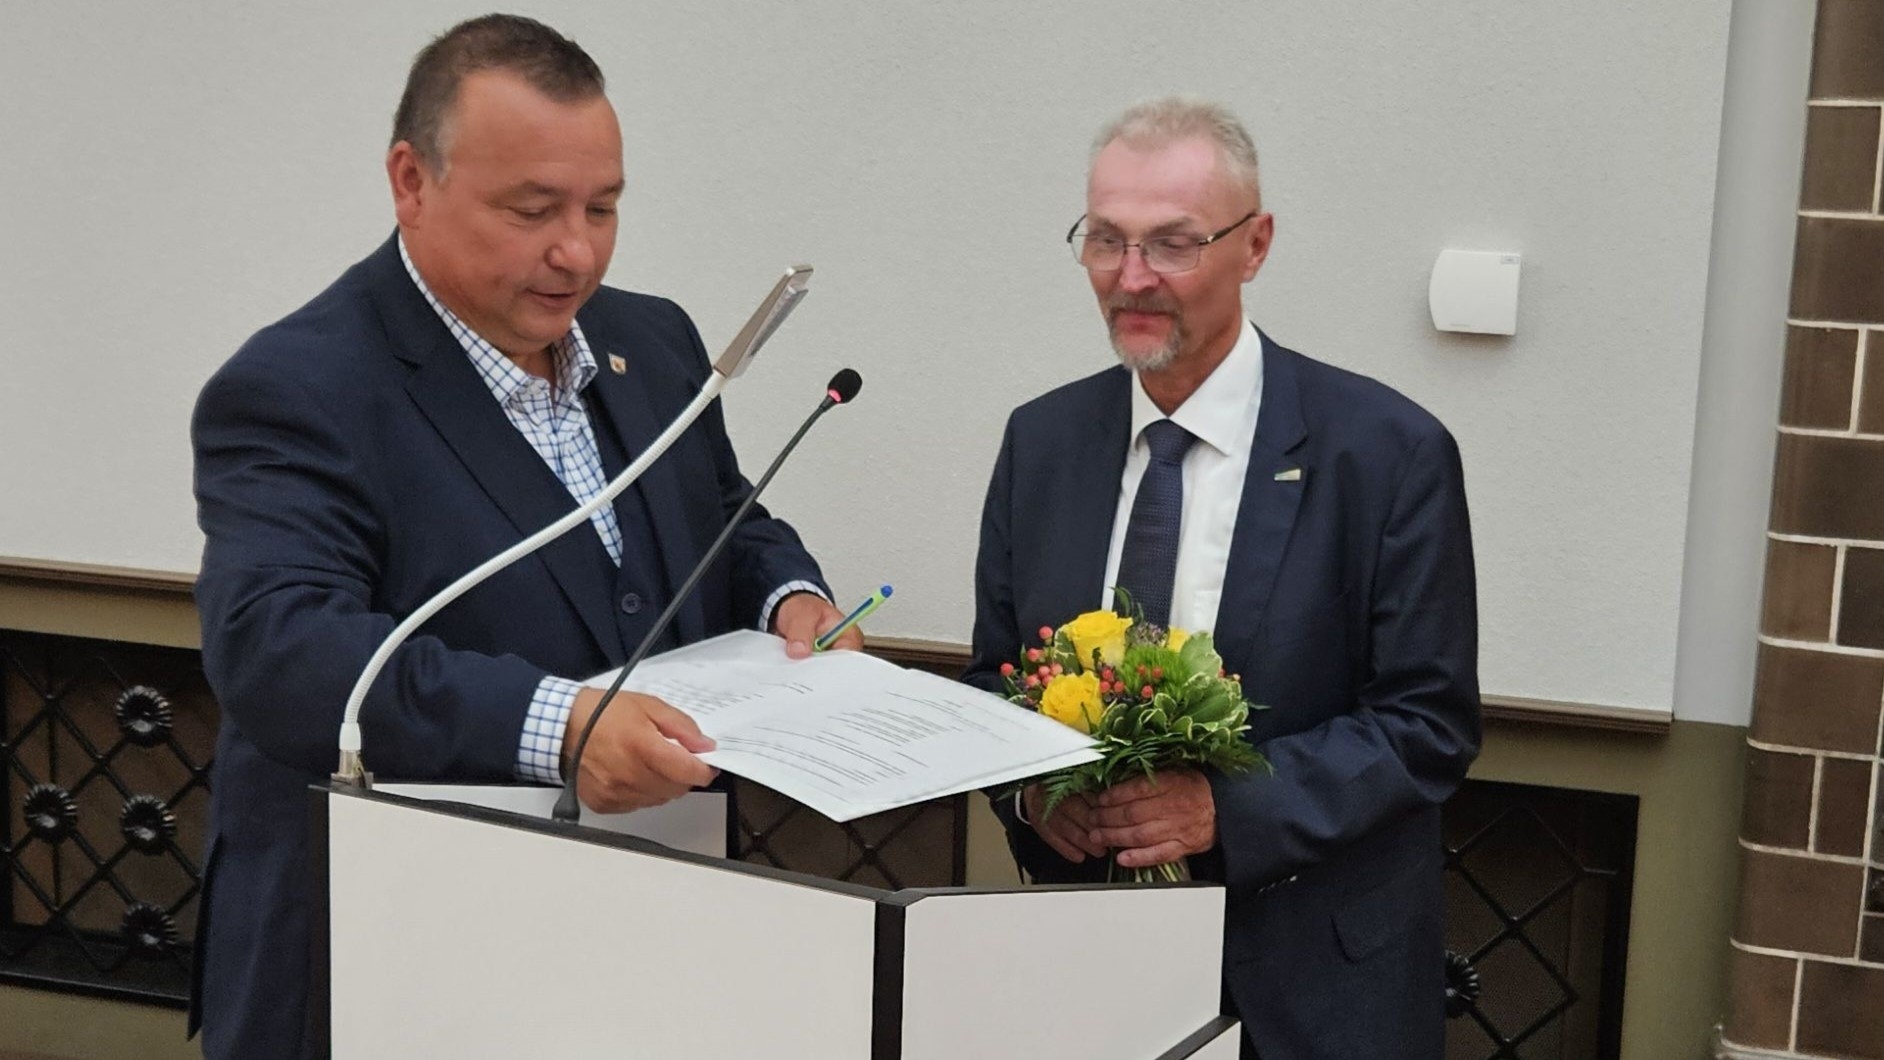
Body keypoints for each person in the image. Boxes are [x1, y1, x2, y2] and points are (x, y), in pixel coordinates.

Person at [189, 15, 858, 1058]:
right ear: (412, 181)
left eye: (603, 207)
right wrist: (559, 728)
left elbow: (720, 516)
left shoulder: (656, 339)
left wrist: (788, 597)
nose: (576, 250)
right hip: (389, 948)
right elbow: (282, 651)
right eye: (532, 209)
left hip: (628, 925)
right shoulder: (299, 385)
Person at [965, 97, 1481, 1059]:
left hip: (1314, 990)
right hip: (1086, 975)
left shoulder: (1387, 453)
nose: (1131, 279)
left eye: (1172, 244)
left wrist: (1224, 810)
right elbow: (997, 676)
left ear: (1256, 246)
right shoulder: (1042, 442)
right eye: (1105, 242)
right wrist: (1037, 799)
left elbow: (1428, 725)